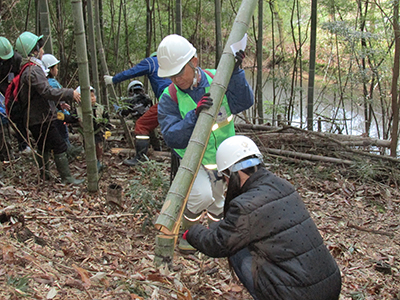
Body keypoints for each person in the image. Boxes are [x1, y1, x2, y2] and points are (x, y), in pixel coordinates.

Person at [184, 135, 342, 300]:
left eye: (224, 175)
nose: (225, 181)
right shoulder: (282, 185)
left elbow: (219, 245)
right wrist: (216, 227)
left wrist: (192, 231)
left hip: (297, 294)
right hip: (330, 285)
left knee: (237, 251)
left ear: (232, 173)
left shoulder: (246, 205)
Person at [156, 34, 254, 253]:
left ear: (195, 62)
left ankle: (214, 238)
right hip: (193, 159)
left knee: (218, 203)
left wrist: (236, 71)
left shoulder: (216, 80)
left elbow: (244, 102)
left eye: (180, 72)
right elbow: (171, 136)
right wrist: (194, 116)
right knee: (201, 195)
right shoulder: (168, 97)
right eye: (171, 76)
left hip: (222, 158)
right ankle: (187, 235)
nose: (177, 80)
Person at [15, 31, 83, 184]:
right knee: (59, 145)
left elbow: (40, 94)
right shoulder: (33, 70)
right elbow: (46, 91)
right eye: (40, 48)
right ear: (33, 50)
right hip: (40, 118)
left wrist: (59, 103)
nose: (43, 51)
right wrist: (69, 93)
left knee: (43, 146)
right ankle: (66, 178)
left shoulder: (29, 69)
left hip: (37, 117)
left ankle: (45, 175)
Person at [104, 53, 172, 166]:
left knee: (142, 125)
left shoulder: (152, 62)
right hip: (179, 98)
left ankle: (140, 158)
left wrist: (114, 79)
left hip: (168, 99)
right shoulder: (171, 64)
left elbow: (133, 71)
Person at [41, 54, 82, 161]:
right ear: (50, 69)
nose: (57, 70)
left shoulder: (47, 82)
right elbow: (53, 102)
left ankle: (68, 151)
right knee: (62, 135)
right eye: (56, 67)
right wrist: (66, 116)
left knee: (62, 135)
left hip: (57, 114)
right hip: (57, 116)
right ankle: (67, 153)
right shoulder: (51, 84)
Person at [0, 36, 31, 154]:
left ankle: (23, 144)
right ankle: (5, 149)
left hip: (14, 92)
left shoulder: (16, 59)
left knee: (19, 117)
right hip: (2, 94)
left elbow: (20, 76)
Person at [75, 86, 110, 172]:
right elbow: (73, 119)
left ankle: (97, 162)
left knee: (98, 147)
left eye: (93, 96)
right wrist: (63, 117)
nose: (92, 98)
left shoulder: (100, 108)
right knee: (88, 149)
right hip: (85, 133)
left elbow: (107, 120)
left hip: (98, 131)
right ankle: (91, 164)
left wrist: (107, 130)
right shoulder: (78, 110)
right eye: (89, 96)